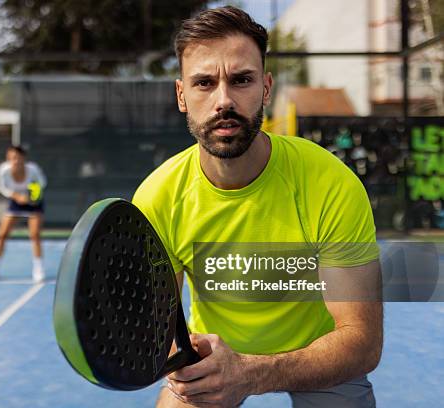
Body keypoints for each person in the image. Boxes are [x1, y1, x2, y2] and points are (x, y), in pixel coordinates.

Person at [131, 6, 383, 407]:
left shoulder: (331, 183)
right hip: (212, 357)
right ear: (182, 95)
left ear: (266, 88)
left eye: (241, 80)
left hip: (320, 357)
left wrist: (250, 372)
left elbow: (362, 343)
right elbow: (162, 333)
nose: (223, 100)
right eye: (204, 83)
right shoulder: (157, 197)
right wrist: (182, 362)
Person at [0, 145, 47, 283]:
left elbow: (42, 183)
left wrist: (32, 195)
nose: (14, 160)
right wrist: (15, 195)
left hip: (33, 203)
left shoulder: (33, 170)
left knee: (35, 235)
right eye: (11, 158)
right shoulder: (3, 170)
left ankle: (38, 269)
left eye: (17, 157)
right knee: (2, 235)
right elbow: (2, 187)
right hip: (15, 201)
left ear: (23, 158)